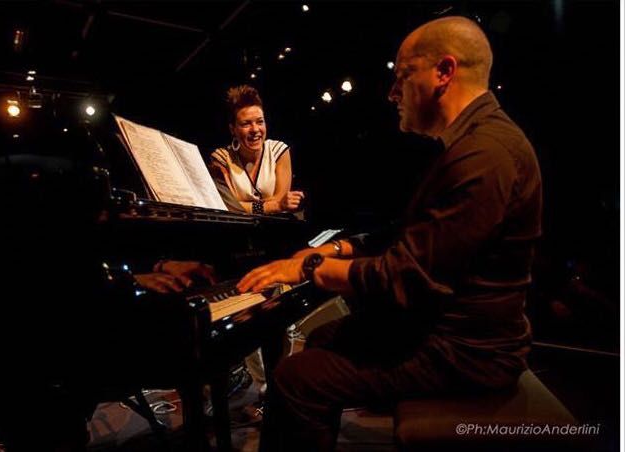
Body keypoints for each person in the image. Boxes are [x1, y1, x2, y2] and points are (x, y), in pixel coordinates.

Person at [237, 16, 542, 451]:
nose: (392, 92)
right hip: (456, 332)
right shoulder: (473, 142)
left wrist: (309, 267)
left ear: (444, 72)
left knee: (295, 379)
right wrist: (338, 247)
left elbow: (406, 277)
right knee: (322, 338)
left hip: (469, 350)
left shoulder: (485, 154)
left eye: (403, 76)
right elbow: (409, 233)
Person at [210, 85, 304, 214]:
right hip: (239, 225)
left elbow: (280, 199)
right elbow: (229, 206)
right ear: (233, 129)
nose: (255, 129)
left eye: (260, 122)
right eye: (246, 124)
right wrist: (274, 205)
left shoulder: (279, 151)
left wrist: (244, 205)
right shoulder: (222, 158)